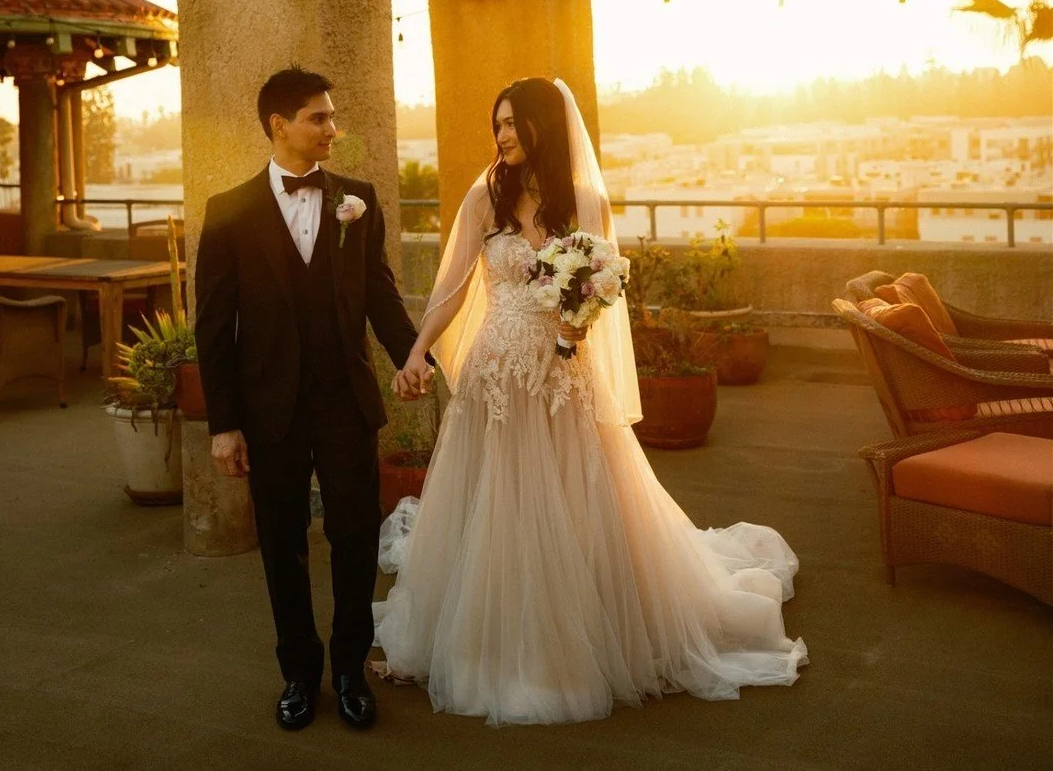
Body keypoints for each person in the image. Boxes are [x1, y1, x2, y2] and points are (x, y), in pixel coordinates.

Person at [377, 76, 807, 726]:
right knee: (489, 505)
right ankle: (473, 636)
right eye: (497, 125)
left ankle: (562, 645)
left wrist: (575, 325)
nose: (502, 136)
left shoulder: (582, 201)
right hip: (493, 380)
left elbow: (590, 296)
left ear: (545, 126)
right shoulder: (484, 195)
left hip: (557, 381)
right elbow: (454, 287)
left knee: (564, 508)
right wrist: (416, 352)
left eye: (514, 123)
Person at [195, 67, 426, 734]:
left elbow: (380, 292)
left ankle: (350, 670)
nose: (333, 129)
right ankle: (299, 672)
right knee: (281, 543)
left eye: (332, 116)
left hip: (344, 401)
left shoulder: (359, 198)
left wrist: (413, 354)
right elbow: (214, 326)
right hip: (269, 411)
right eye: (319, 118)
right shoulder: (228, 210)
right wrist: (225, 425)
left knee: (356, 537)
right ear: (279, 125)